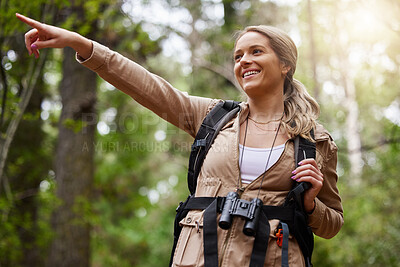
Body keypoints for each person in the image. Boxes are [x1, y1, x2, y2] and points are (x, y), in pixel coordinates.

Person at [16, 13, 343, 267]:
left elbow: (332, 224)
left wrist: (311, 204)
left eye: (256, 52)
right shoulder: (214, 117)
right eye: (238, 55)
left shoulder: (314, 141)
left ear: (285, 65)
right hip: (198, 257)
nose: (243, 61)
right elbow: (146, 85)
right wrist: (81, 44)